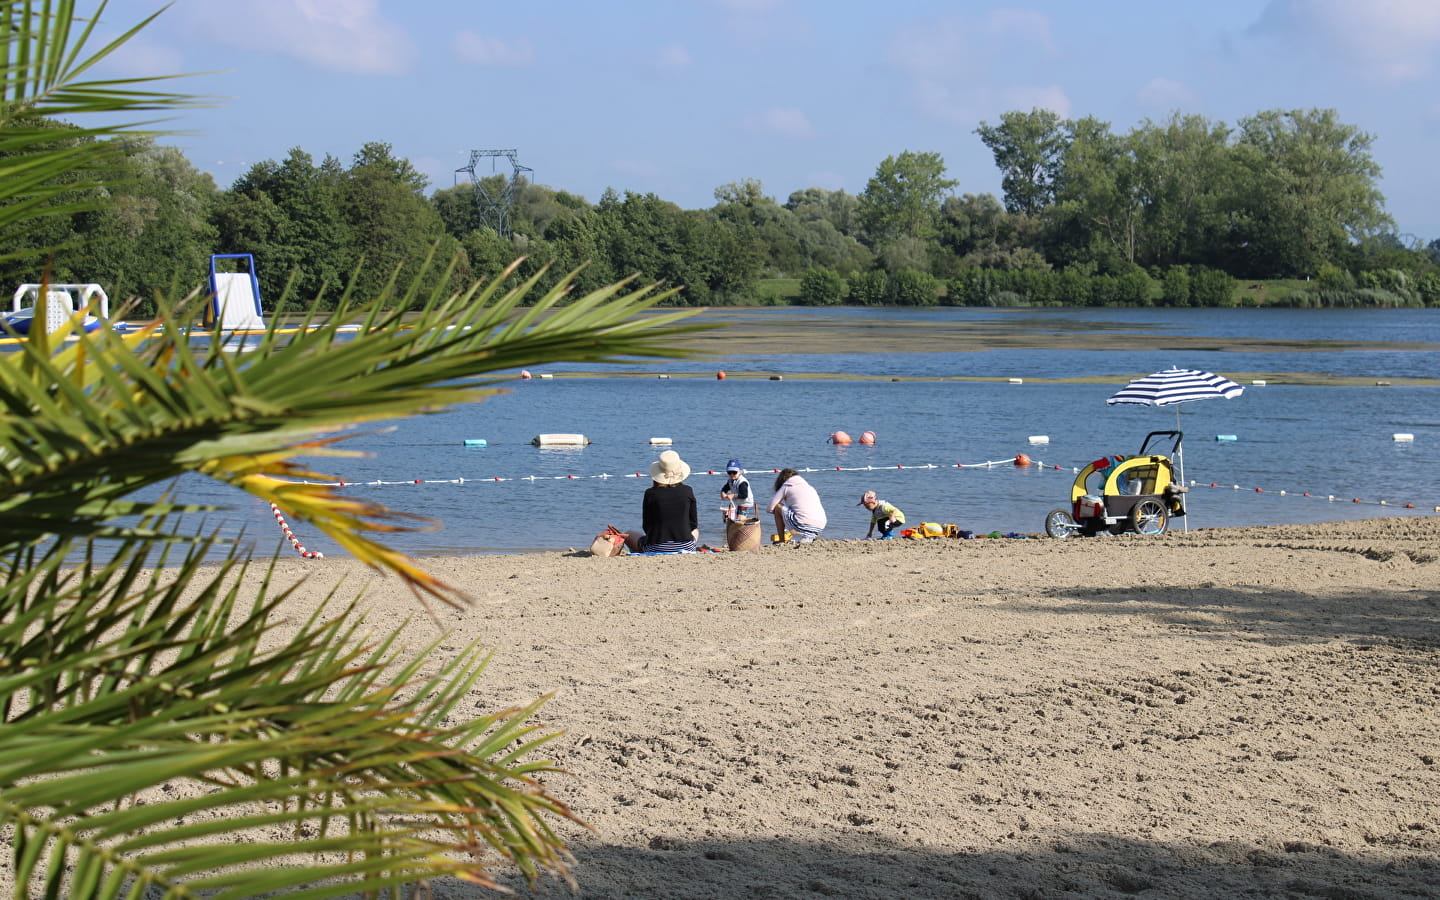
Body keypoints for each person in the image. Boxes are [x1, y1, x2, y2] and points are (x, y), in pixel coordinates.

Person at [624, 450, 700, 553]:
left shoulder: (650, 493)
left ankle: (638, 550)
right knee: (696, 531)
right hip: (686, 546)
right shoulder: (687, 491)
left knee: (629, 534)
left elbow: (646, 525)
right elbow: (693, 524)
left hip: (656, 546)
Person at [768, 467, 826, 543]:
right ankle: (809, 536)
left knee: (778, 507)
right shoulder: (810, 487)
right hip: (820, 525)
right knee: (799, 512)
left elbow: (770, 507)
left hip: (803, 523)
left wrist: (781, 516)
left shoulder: (787, 485)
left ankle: (782, 540)